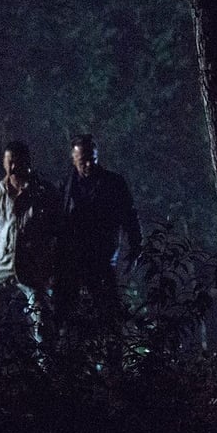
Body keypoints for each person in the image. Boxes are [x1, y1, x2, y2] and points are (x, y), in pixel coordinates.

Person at [0, 141, 60, 350]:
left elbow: (54, 229)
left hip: (32, 267)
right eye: (9, 162)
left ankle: (49, 366)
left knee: (42, 322)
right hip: (2, 265)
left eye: (16, 162)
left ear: (27, 163)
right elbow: (1, 228)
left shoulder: (43, 192)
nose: (12, 167)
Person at [55, 133, 142, 321]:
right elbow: (57, 221)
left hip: (102, 255)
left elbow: (130, 216)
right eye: (82, 161)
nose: (88, 165)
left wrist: (135, 247)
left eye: (92, 159)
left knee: (108, 310)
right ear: (74, 159)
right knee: (65, 312)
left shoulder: (113, 183)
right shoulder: (65, 186)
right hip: (73, 257)